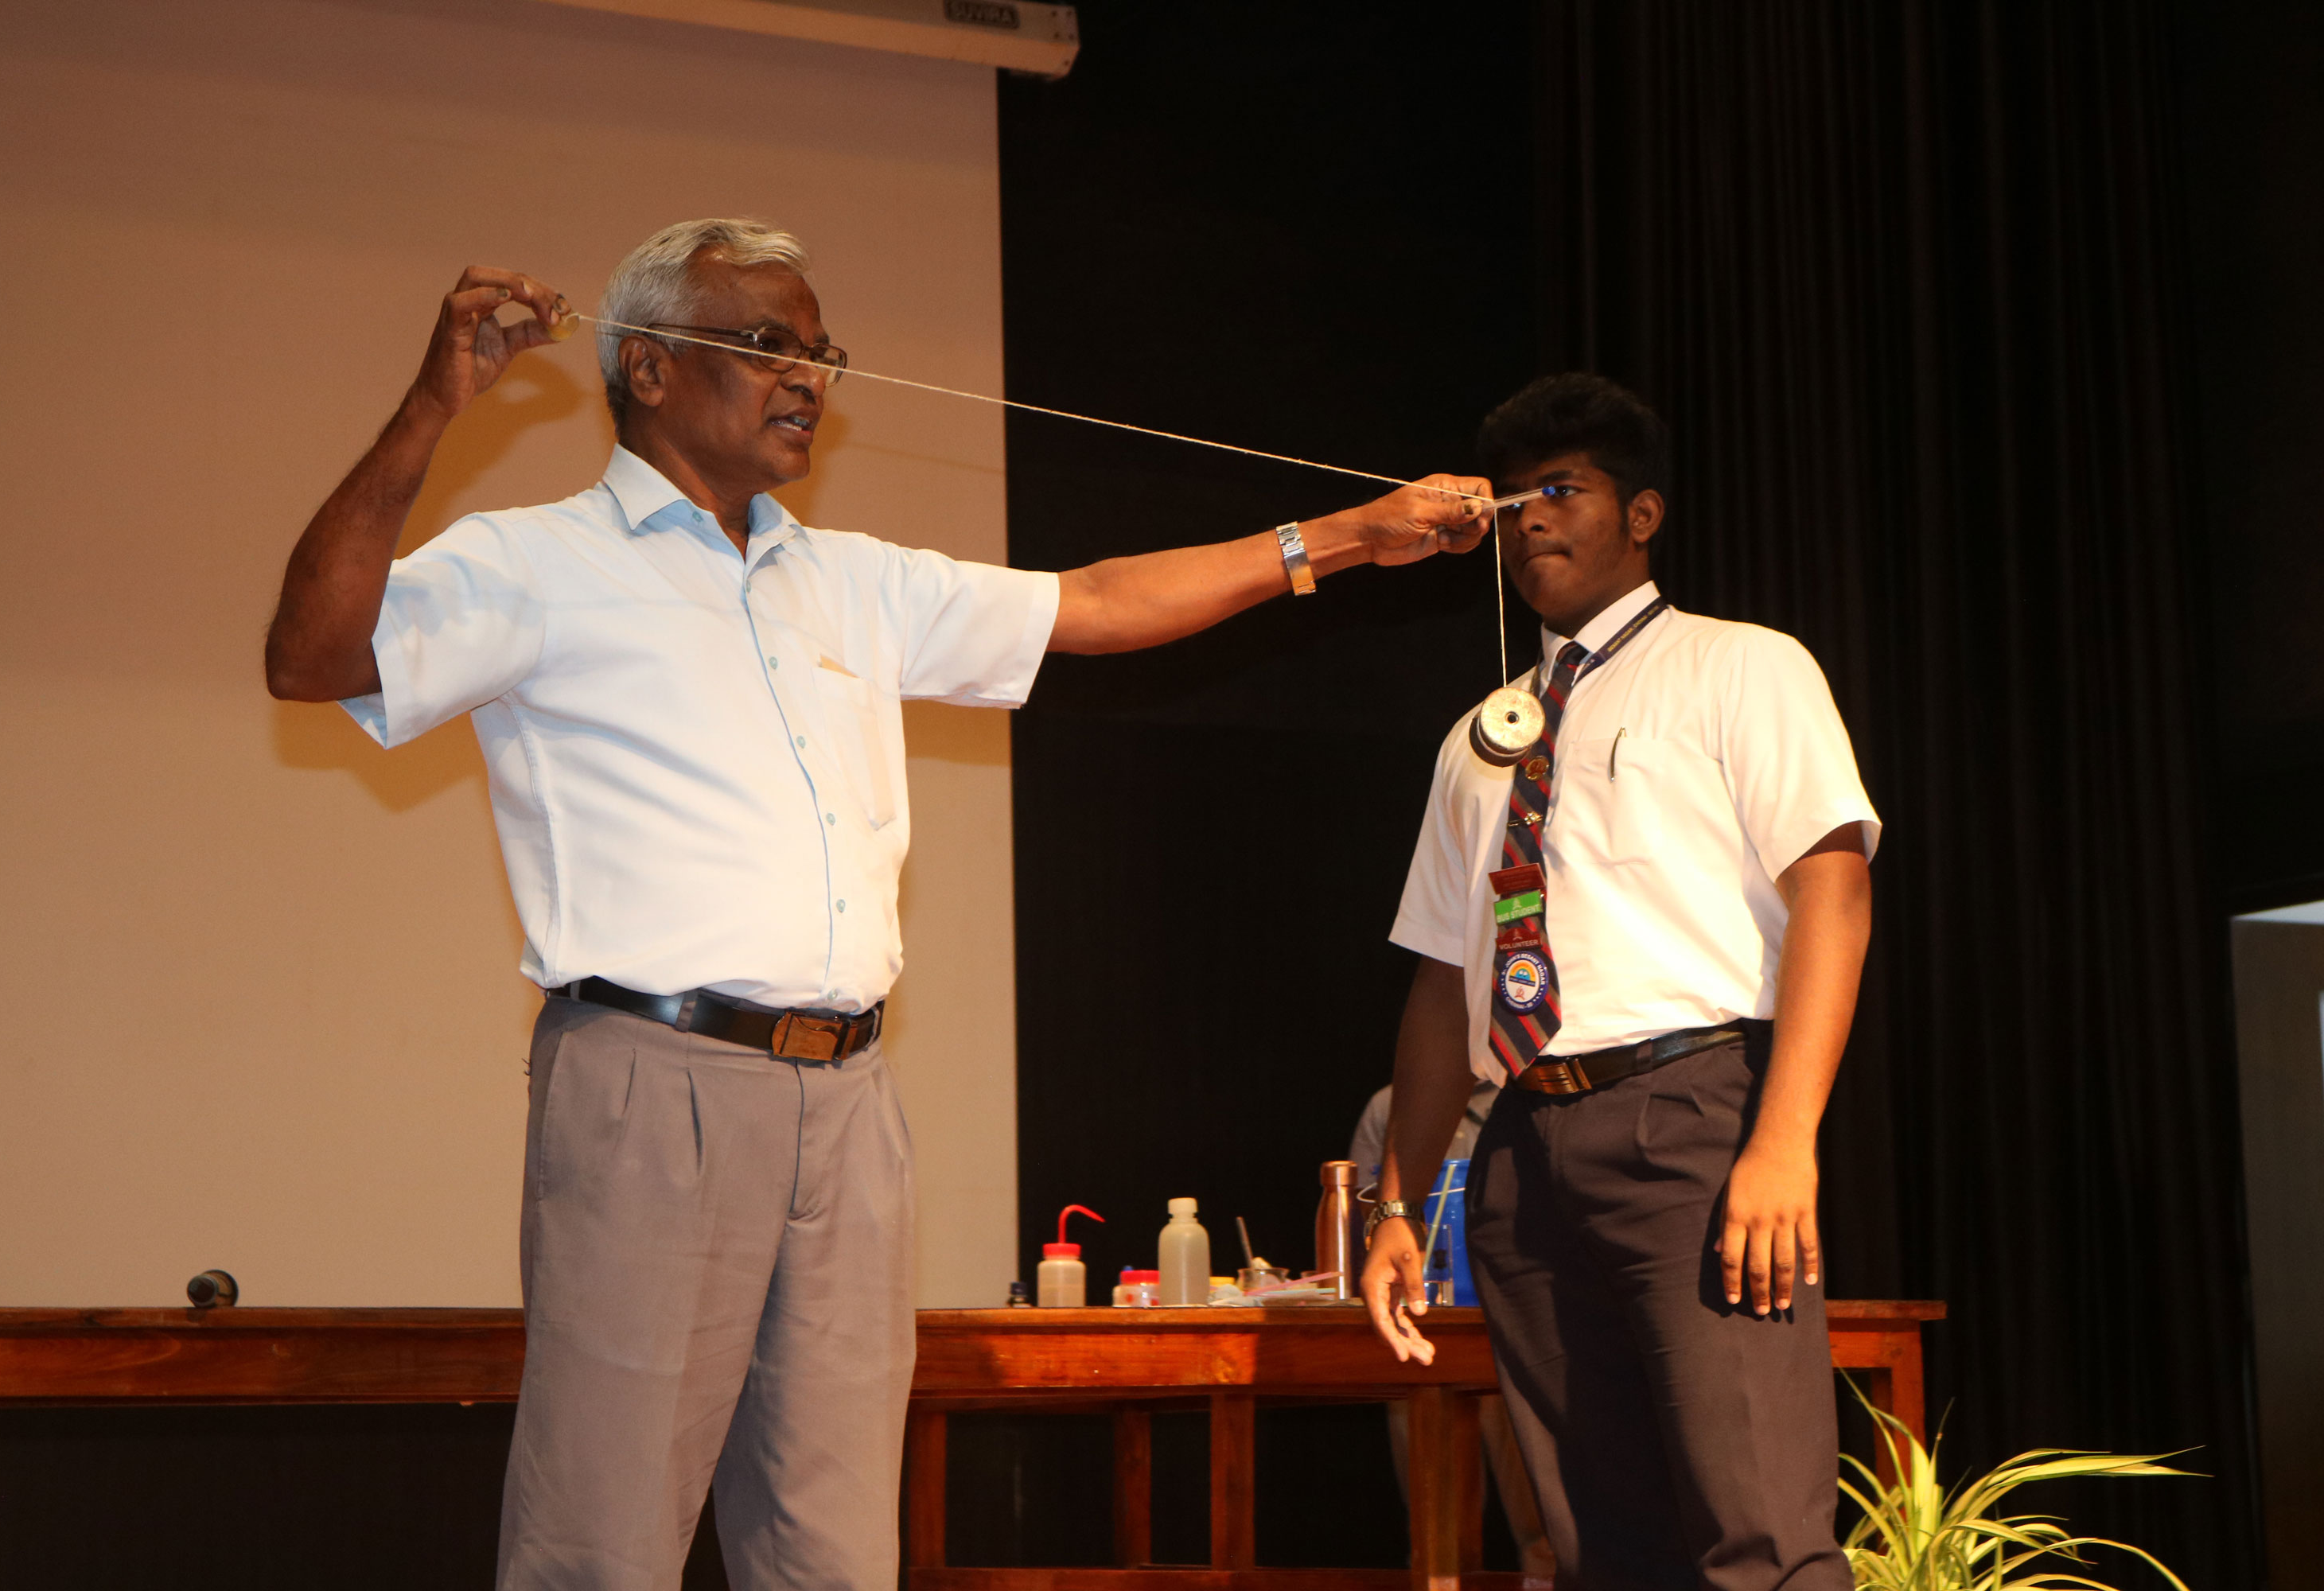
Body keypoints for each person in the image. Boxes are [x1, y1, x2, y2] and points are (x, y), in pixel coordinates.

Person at [263, 217, 1493, 1591]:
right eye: (768, 345)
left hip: (849, 1102)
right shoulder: (537, 561)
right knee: (603, 1538)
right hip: (655, 1084)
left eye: (821, 351)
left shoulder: (848, 578)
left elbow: (1095, 603)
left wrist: (1348, 536)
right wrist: (434, 407)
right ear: (651, 369)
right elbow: (312, 657)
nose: (808, 378)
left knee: (834, 1546)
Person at [1359, 373, 1877, 1591]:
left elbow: (1836, 893)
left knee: (1760, 1535)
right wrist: (1399, 1204)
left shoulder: (1741, 667)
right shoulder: (1479, 738)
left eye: (1563, 489)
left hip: (1691, 1120)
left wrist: (1783, 1140)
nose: (1530, 518)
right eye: (1512, 500)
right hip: (1520, 1155)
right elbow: (1441, 983)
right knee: (1598, 1549)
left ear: (1641, 516)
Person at [1350, 1079, 1557, 1589]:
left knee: (1544, 1516)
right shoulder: (1391, 1106)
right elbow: (1364, 1213)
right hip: (1422, 1326)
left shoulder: (1539, 1089)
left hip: (1514, 1322)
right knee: (1434, 1522)